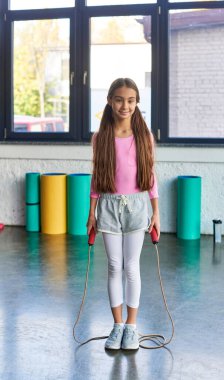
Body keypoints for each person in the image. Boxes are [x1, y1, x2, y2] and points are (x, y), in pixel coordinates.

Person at [87, 78, 160, 350]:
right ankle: (117, 326)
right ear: (109, 100)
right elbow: (96, 178)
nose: (125, 105)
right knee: (114, 266)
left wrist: (156, 212)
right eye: (119, 99)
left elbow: (150, 175)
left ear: (136, 102)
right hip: (107, 205)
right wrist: (92, 213)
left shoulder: (144, 136)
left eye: (130, 100)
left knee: (132, 267)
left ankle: (131, 326)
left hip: (138, 205)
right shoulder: (100, 138)